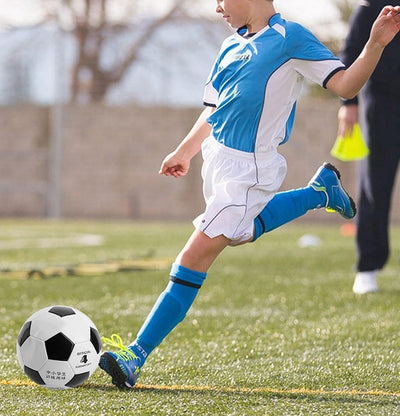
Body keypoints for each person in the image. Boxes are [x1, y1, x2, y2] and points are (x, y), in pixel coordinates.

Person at [99, 0, 400, 388]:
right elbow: (213, 108)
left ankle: (135, 355)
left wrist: (374, 44)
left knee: (194, 256)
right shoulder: (230, 46)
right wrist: (184, 151)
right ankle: (318, 193)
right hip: (217, 164)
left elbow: (345, 84)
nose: (217, 6)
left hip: (249, 171)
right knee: (240, 231)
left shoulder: (290, 38)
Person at [337, 0, 400, 295]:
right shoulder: (372, 4)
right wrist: (348, 103)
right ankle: (368, 267)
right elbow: (350, 51)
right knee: (375, 185)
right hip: (383, 106)